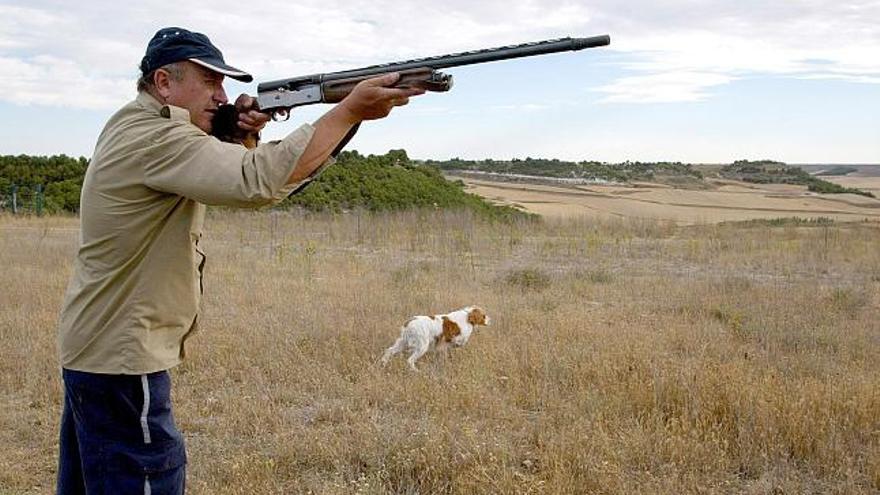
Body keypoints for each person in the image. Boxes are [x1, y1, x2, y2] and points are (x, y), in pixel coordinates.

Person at [54, 27, 424, 494]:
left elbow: (216, 167)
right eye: (209, 82)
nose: (222, 94)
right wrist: (350, 111)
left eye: (222, 85)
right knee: (147, 477)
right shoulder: (155, 136)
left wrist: (232, 132)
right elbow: (257, 182)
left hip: (98, 349)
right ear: (164, 83)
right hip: (122, 358)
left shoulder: (136, 124)